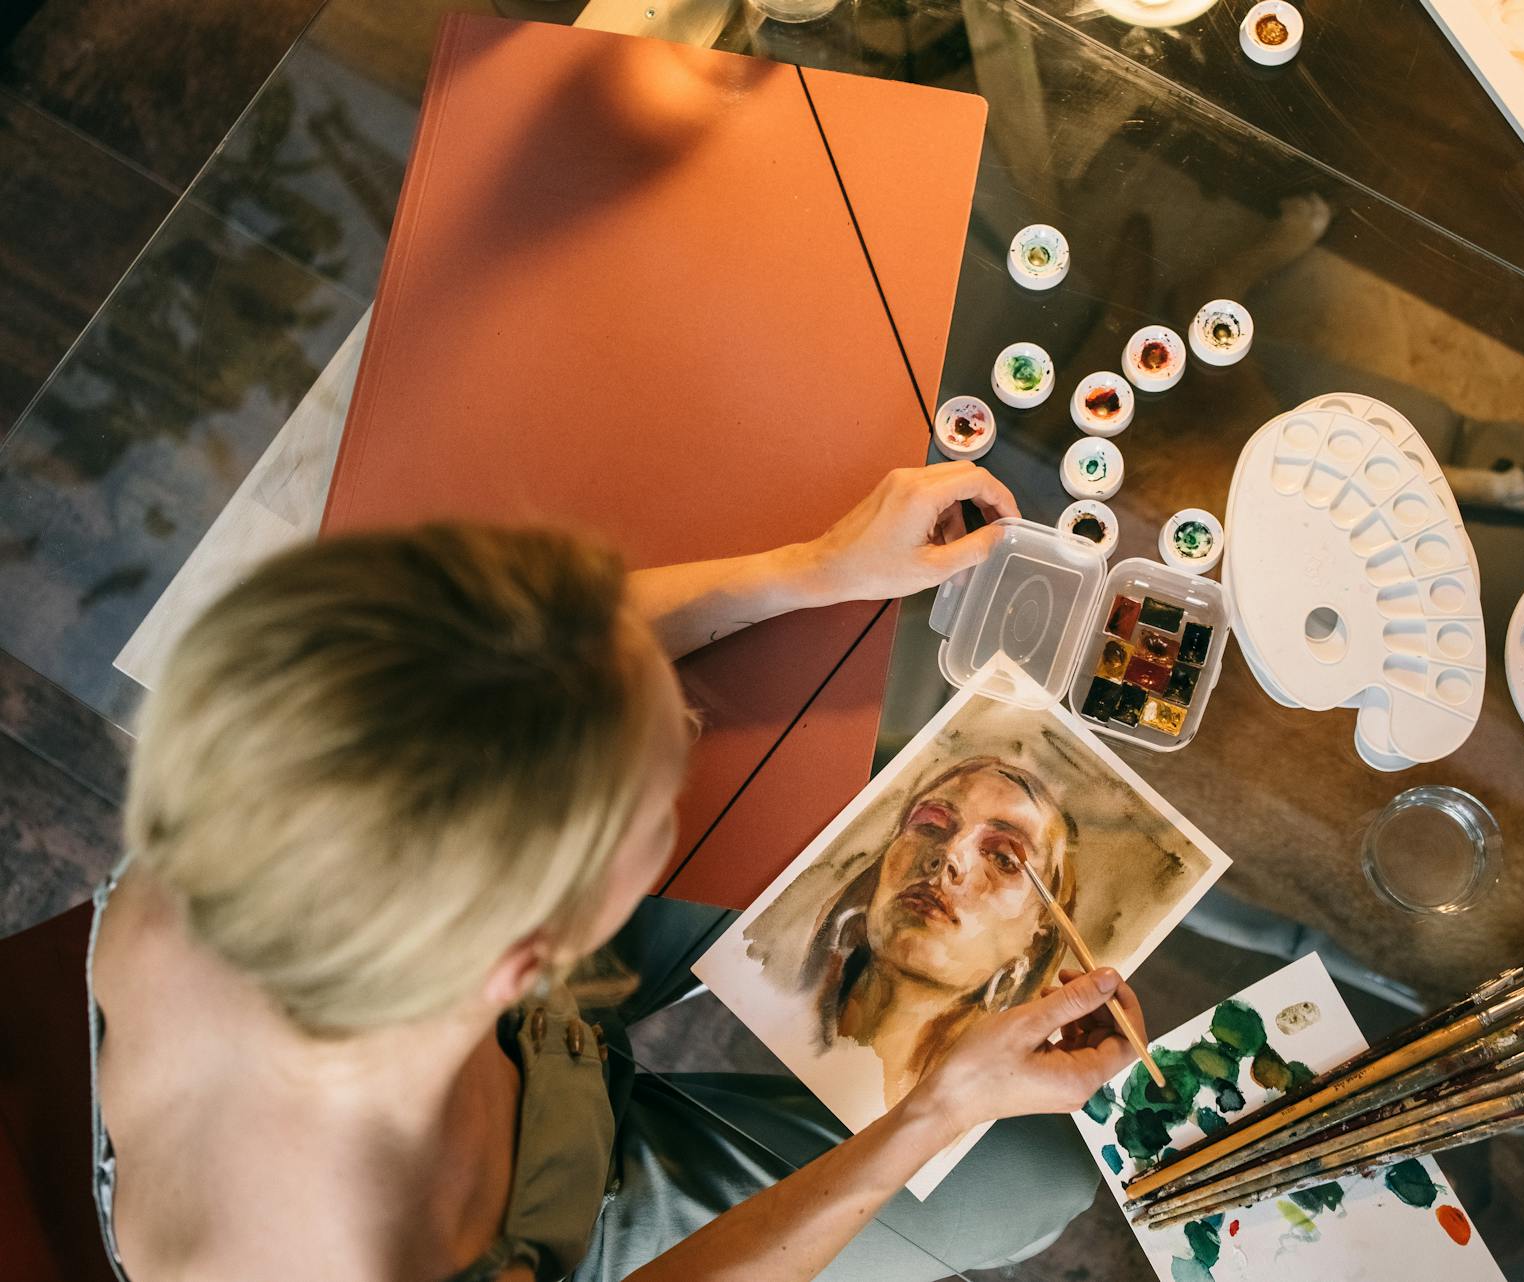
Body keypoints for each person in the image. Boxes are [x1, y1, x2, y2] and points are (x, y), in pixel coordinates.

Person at [87, 462, 1148, 1282]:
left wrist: (812, 566)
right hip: (538, 1215)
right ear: (539, 959)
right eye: (661, 787)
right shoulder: (357, 1242)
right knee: (1040, 1173)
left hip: (474, 1050)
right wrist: (934, 1110)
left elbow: (530, 645)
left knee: (812, 778)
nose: (690, 725)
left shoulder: (260, 767)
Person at [798, 758, 1077, 1106]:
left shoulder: (974, 1104)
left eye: (1004, 858)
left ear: (1037, 938)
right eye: (930, 825)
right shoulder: (783, 1011)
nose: (950, 855)